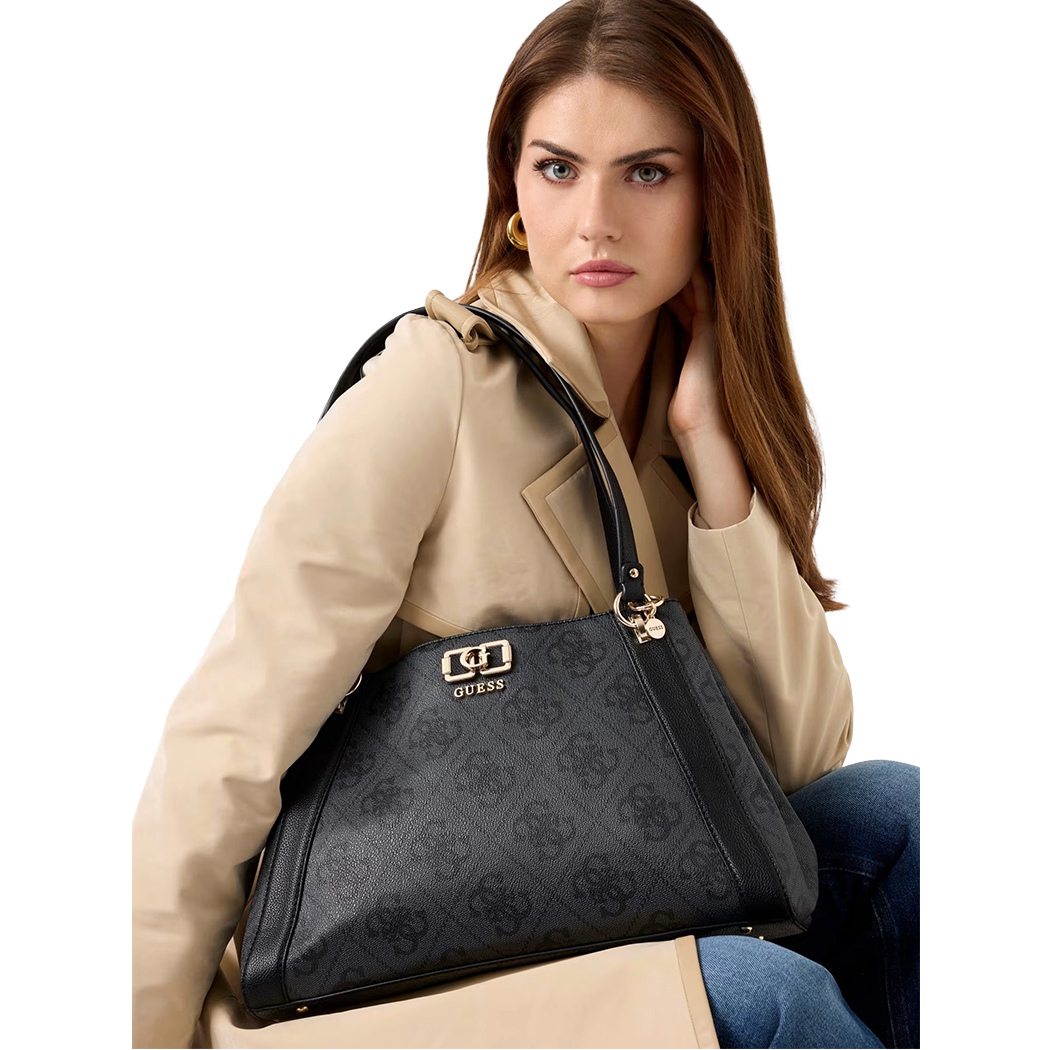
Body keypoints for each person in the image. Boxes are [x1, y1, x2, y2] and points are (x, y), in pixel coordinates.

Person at [132, 1, 919, 1047]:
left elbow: (798, 762)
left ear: (716, 196)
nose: (596, 221)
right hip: (407, 962)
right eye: (558, 169)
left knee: (902, 822)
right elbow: (227, 738)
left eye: (647, 172)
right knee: (765, 998)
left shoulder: (690, 417)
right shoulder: (434, 387)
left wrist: (715, 460)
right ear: (513, 191)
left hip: (612, 905)